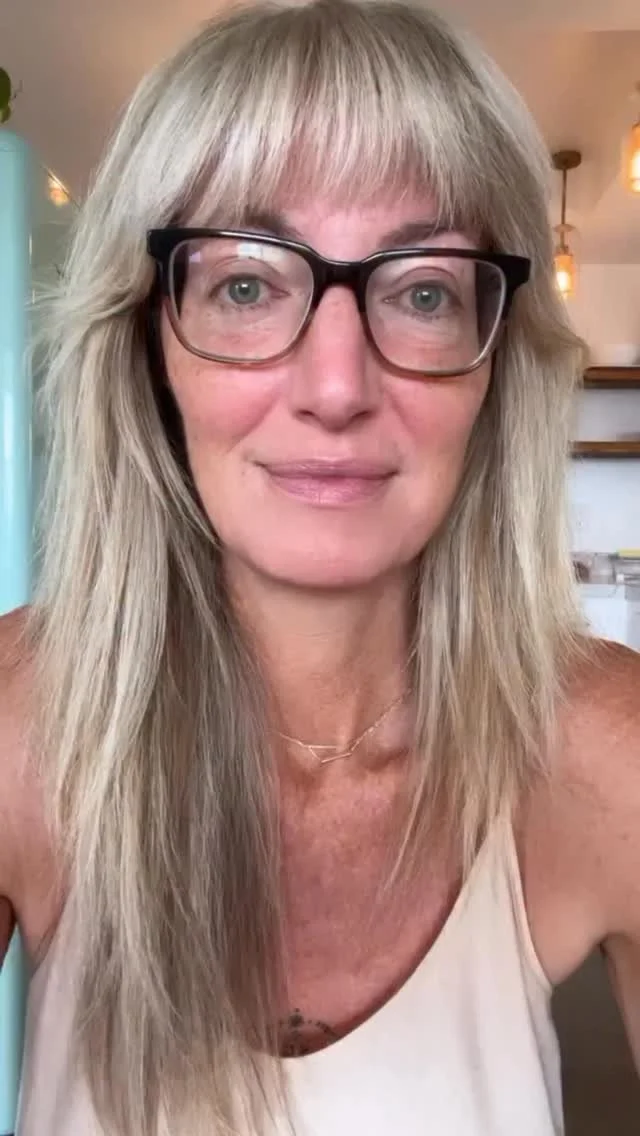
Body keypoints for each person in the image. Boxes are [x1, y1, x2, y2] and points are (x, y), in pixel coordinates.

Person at [1, 0, 639, 1132]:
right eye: (247, 286)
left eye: (424, 291)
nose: (337, 386)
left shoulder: (606, 755)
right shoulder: (19, 728)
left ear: (495, 363)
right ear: (149, 343)